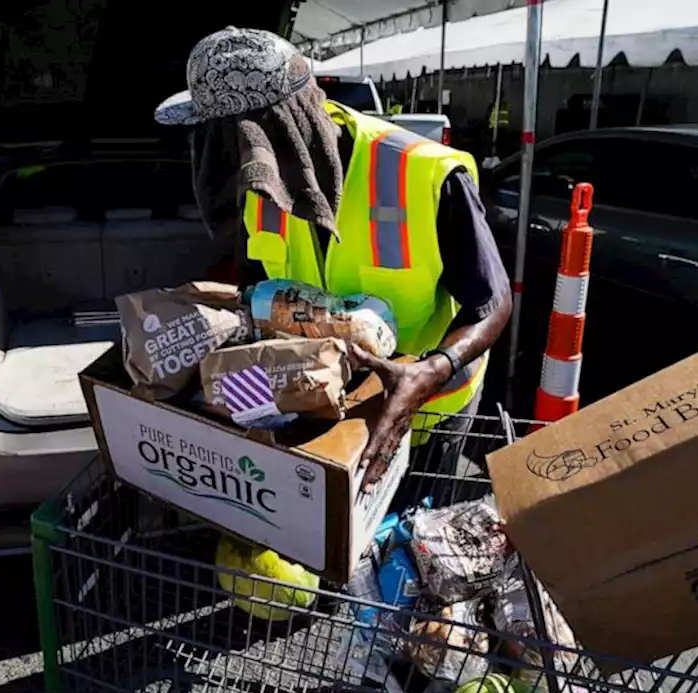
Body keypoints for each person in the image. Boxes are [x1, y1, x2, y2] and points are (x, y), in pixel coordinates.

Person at [156, 27, 511, 496]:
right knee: (341, 551)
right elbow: (258, 290)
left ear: (271, 132)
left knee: (412, 539)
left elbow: (492, 302)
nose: (220, 157)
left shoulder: (421, 172)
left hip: (427, 407)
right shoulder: (259, 187)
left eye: (229, 139)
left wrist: (429, 372)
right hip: (323, 406)